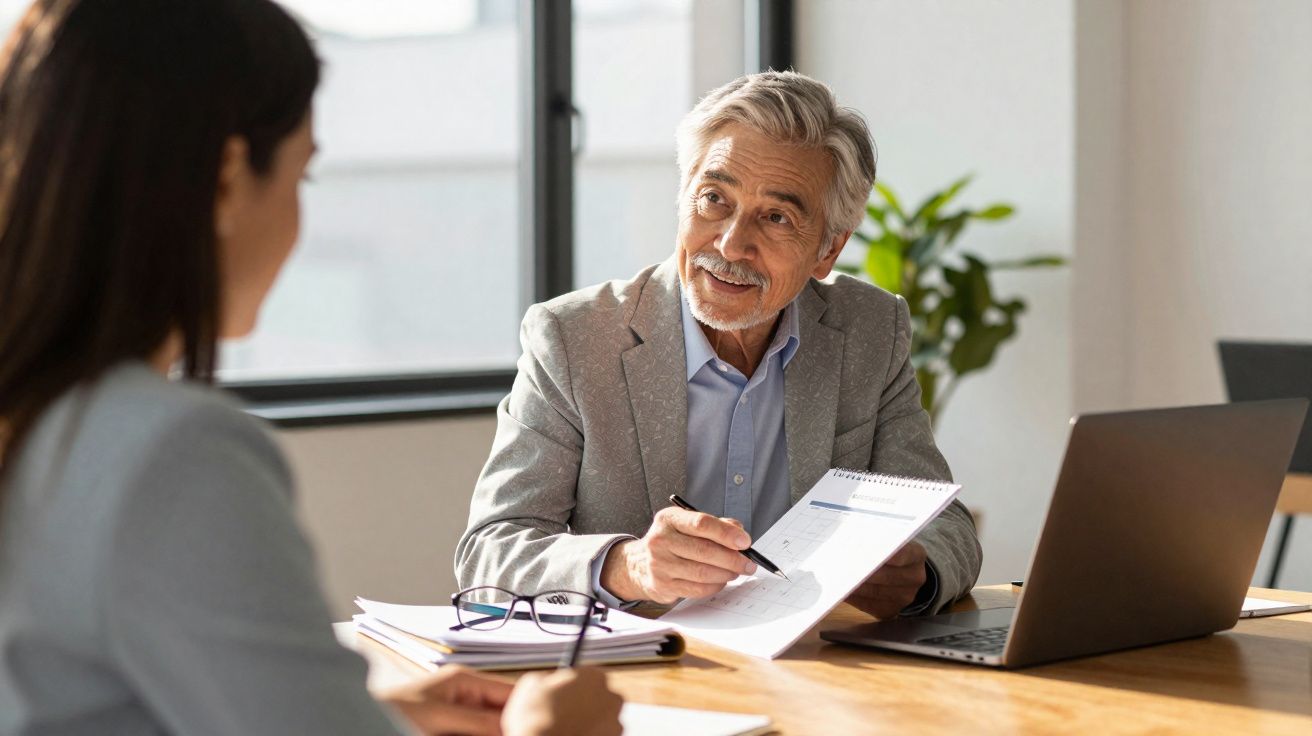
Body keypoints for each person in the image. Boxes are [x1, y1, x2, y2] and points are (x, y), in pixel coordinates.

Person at [0, 1, 622, 734]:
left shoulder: (41, 419)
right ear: (226, 180)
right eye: (304, 177)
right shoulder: (170, 451)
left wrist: (371, 714)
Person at [458, 71, 981, 619]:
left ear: (828, 250)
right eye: (714, 199)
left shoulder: (870, 329)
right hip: (643, 659)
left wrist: (918, 573)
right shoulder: (574, 338)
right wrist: (629, 566)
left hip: (810, 659)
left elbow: (945, 523)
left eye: (776, 217)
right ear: (683, 197)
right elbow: (490, 553)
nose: (732, 244)